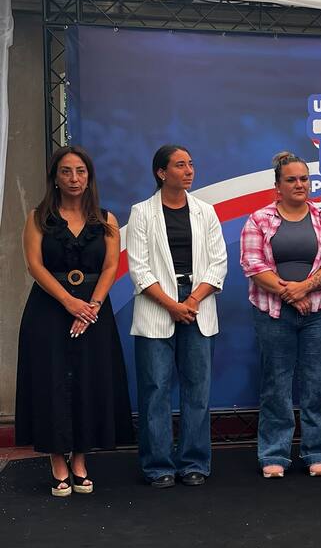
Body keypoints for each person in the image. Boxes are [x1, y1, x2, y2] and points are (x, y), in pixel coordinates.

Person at [15, 146, 133, 496]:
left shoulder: (107, 220)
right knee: (50, 382)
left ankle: (80, 459)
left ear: (89, 176)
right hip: (50, 310)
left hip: (94, 312)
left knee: (88, 381)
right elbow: (34, 265)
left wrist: (91, 306)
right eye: (66, 172)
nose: (74, 178)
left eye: (80, 171)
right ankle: (57, 460)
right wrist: (69, 302)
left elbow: (111, 266)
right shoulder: (38, 217)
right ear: (55, 177)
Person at [127, 145, 227, 488]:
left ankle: (194, 462)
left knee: (197, 390)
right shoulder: (141, 213)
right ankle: (158, 466)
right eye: (180, 165)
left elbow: (218, 264)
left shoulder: (205, 211)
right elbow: (138, 269)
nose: (189, 170)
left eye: (191, 163)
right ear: (161, 173)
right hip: (158, 308)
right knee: (155, 389)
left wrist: (192, 300)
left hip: (198, 307)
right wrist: (172, 305)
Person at [240, 152, 321, 479]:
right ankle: (274, 454)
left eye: (304, 179)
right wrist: (290, 292)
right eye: (291, 180)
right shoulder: (259, 220)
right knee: (276, 384)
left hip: (319, 313)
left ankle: (318, 451)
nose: (299, 185)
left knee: (317, 383)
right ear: (277, 187)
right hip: (272, 313)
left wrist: (305, 289)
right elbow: (253, 266)